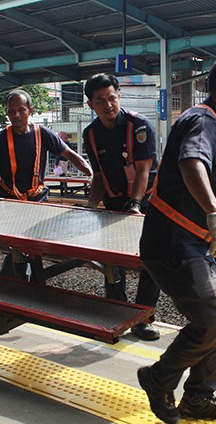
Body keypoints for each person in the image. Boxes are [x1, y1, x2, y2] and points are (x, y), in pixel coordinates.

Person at [137, 56, 216, 424]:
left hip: (190, 241)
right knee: (211, 320)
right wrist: (214, 213)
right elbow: (192, 163)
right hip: (174, 241)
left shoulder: (211, 123)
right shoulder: (204, 119)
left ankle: (198, 397)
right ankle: (159, 378)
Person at [82, 73, 161, 341]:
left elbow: (143, 170)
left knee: (151, 262)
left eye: (112, 98)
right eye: (100, 101)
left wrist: (136, 205)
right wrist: (91, 205)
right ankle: (116, 312)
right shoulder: (90, 134)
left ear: (119, 96)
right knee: (112, 263)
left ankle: (144, 318)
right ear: (91, 105)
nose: (108, 105)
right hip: (114, 203)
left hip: (147, 203)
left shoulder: (139, 126)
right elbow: (99, 175)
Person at [0, 89, 92, 278]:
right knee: (19, 247)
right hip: (9, 203)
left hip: (36, 201)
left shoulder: (44, 134)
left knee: (29, 246)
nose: (16, 115)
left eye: (21, 110)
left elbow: (72, 156)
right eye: (11, 111)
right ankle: (21, 284)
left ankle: (18, 283)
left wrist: (91, 174)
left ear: (30, 111)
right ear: (7, 112)